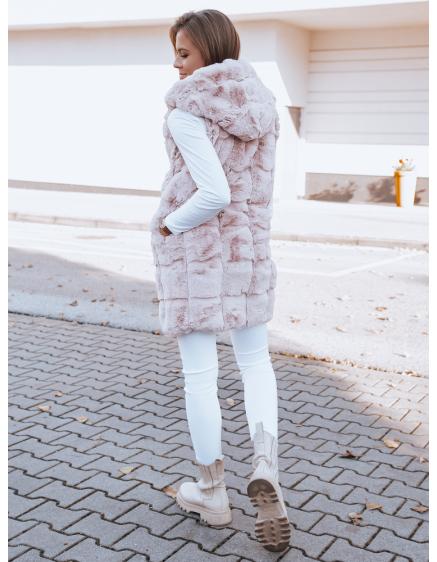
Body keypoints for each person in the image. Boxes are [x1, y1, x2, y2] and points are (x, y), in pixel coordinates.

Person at [150, 9, 291, 552]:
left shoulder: (187, 111)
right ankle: (265, 465)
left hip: (200, 258)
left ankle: (212, 492)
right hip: (248, 253)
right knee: (255, 363)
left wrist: (169, 222)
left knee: (200, 375)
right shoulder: (262, 105)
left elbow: (213, 194)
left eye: (183, 53)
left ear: (208, 49)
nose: (177, 64)